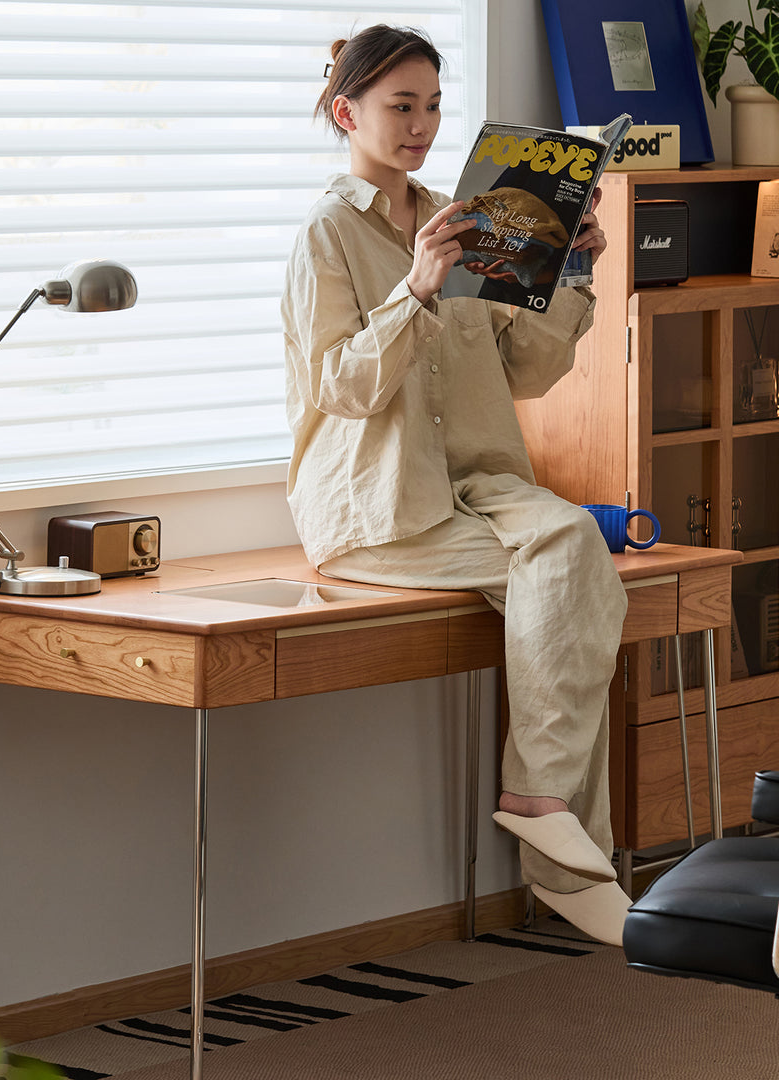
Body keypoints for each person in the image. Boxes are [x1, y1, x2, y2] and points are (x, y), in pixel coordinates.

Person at [280, 25, 630, 945]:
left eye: (433, 106)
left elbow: (524, 374)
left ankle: (546, 813)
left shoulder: (465, 214)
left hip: (480, 483)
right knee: (573, 567)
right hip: (377, 504)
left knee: (573, 565)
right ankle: (555, 830)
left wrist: (575, 266)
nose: (422, 125)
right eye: (402, 106)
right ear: (345, 110)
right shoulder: (324, 237)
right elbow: (340, 386)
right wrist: (418, 291)